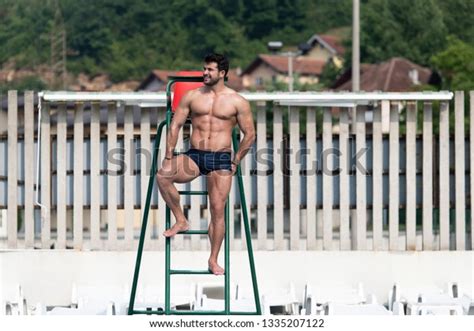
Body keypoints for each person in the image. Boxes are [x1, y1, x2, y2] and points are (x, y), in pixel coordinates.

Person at [156, 53, 255, 275]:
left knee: (217, 210)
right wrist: (169, 154)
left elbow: (250, 134)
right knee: (163, 175)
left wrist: (237, 160)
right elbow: (175, 126)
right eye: (204, 69)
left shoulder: (237, 101)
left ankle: (213, 259)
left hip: (221, 158)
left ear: (222, 73)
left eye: (210, 70)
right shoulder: (192, 96)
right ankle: (181, 220)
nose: (205, 73)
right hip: (194, 155)